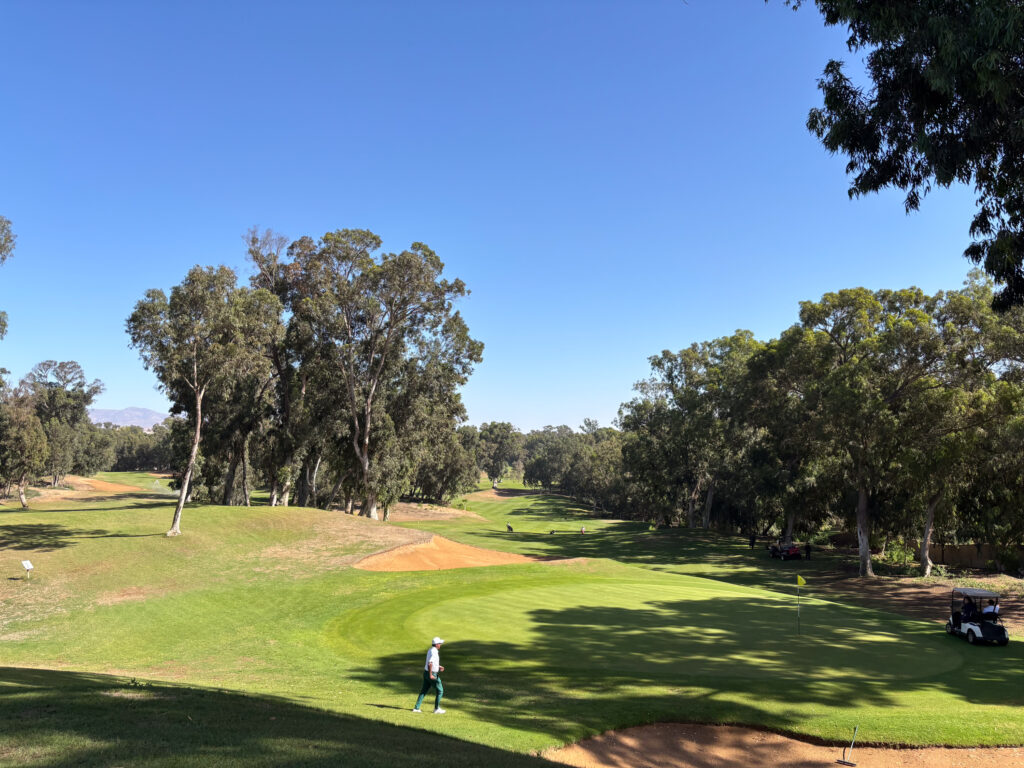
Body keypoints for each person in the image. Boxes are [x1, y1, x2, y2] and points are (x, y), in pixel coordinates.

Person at [413, 637, 446, 714]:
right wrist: (431, 675)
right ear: (437, 644)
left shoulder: (430, 650)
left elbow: (431, 662)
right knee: (440, 690)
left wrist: (438, 666)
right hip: (431, 674)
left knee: (423, 691)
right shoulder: (434, 652)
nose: (440, 645)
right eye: (440, 643)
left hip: (426, 673)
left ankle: (416, 708)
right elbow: (430, 663)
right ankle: (436, 708)